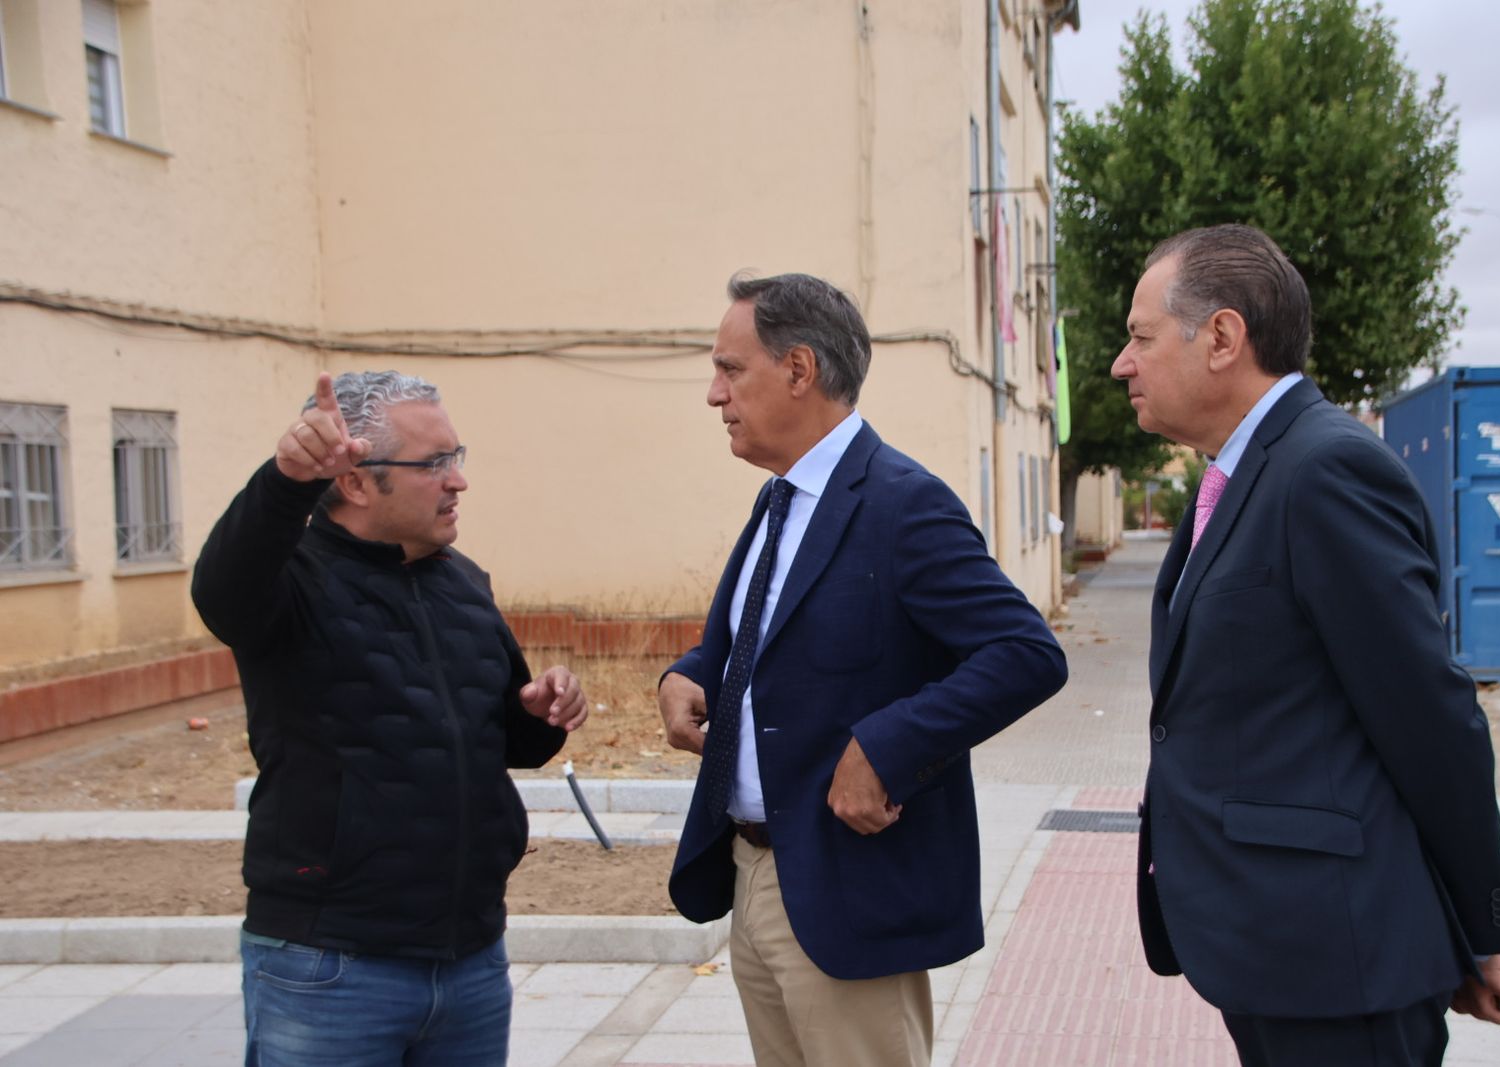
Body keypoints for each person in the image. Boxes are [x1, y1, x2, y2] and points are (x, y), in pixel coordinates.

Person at [1113, 223, 1500, 1065]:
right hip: (1277, 943)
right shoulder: (1240, 473)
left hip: (1338, 957)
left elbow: (1429, 715)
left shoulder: (1326, 470)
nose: (1121, 364)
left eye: (1139, 337)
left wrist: (1477, 927)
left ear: (1223, 338)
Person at [659, 272, 1068, 1066]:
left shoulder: (902, 504)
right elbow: (748, 640)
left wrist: (887, 746)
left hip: (844, 887)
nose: (715, 395)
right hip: (750, 873)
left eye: (730, 369)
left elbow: (1026, 653)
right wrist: (687, 672)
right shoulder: (778, 500)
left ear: (800, 370)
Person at [192, 370, 588, 1066]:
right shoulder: (291, 583)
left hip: (469, 961)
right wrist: (286, 478)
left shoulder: (462, 582)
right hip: (332, 967)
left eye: (455, 458)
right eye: (434, 464)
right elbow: (222, 587)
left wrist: (544, 710)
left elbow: (504, 741)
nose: (457, 481)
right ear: (353, 480)